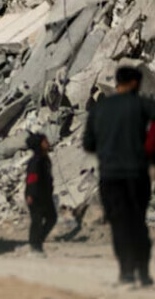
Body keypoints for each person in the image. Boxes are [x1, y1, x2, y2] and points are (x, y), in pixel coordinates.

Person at [83, 66, 155, 286]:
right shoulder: (142, 104)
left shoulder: (100, 108)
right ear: (134, 83)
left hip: (110, 176)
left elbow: (88, 143)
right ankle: (143, 272)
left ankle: (126, 272)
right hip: (136, 173)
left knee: (119, 224)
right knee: (138, 222)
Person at [26, 132, 55, 255]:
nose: (47, 143)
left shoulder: (45, 159)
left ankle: (38, 241)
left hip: (45, 195)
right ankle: (35, 246)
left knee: (52, 218)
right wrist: (31, 194)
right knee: (37, 220)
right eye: (45, 141)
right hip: (35, 195)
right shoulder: (36, 161)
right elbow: (32, 178)